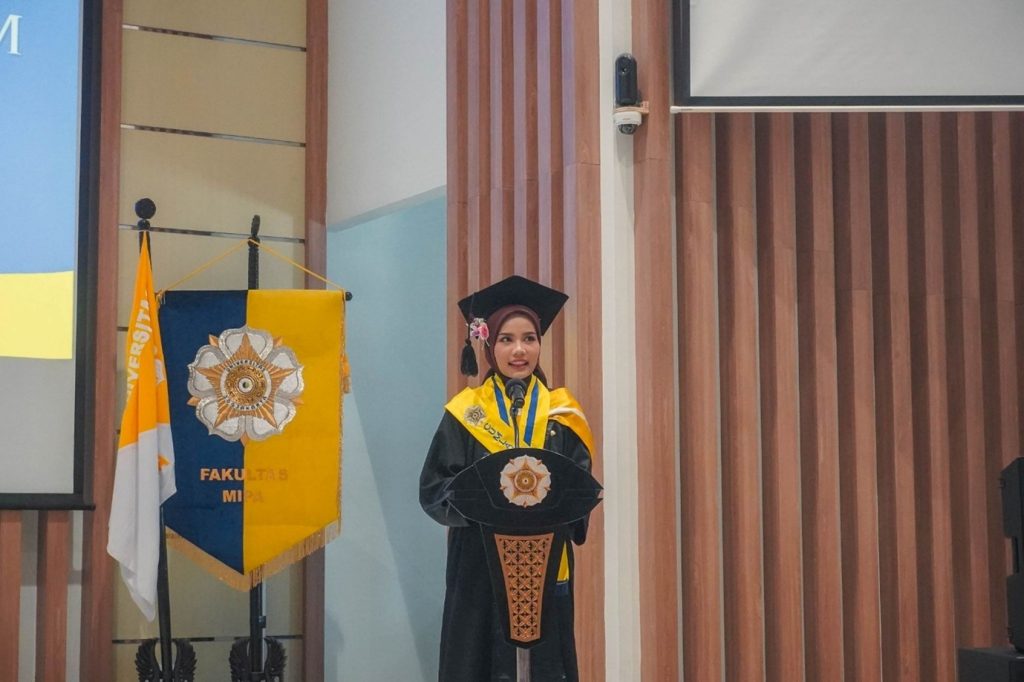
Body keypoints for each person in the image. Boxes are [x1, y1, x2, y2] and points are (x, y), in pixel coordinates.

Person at [420, 275, 595, 682]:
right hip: (479, 566)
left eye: (529, 338)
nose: (519, 350)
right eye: (507, 339)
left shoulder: (562, 414)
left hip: (544, 565)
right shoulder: (466, 413)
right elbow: (434, 488)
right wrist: (481, 506)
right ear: (489, 346)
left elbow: (581, 486)